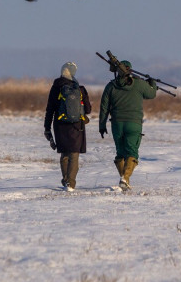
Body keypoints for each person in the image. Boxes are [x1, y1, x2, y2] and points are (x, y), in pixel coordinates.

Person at [98, 58, 157, 191]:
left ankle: (125, 179)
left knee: (120, 152)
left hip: (117, 124)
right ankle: (125, 178)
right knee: (132, 152)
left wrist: (102, 125)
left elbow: (104, 107)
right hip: (134, 123)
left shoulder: (111, 86)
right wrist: (152, 83)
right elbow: (152, 94)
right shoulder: (139, 84)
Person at [43, 61, 92, 191]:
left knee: (64, 154)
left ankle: (66, 181)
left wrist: (47, 128)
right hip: (76, 125)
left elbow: (50, 109)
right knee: (74, 154)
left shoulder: (56, 87)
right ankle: (71, 182)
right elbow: (88, 110)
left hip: (60, 125)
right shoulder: (79, 89)